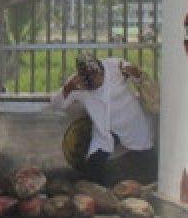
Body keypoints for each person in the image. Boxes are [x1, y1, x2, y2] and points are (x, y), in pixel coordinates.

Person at [51, 54, 157, 185]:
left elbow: (138, 76)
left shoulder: (114, 66)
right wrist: (68, 88)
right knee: (94, 164)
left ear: (101, 71)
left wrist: (133, 72)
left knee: (147, 161)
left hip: (131, 122)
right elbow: (57, 105)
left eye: (97, 79)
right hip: (105, 129)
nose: (95, 85)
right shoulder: (76, 84)